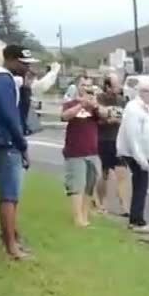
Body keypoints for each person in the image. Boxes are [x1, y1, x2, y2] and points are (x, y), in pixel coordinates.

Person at [0, 41, 33, 259]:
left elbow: (19, 111)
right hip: (5, 142)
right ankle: (10, 246)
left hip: (5, 141)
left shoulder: (5, 80)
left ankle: (13, 239)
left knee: (12, 195)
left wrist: (27, 88)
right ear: (9, 60)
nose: (26, 67)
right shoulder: (1, 80)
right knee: (9, 195)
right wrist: (22, 143)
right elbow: (10, 115)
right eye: (23, 63)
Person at [116, 83, 149, 233]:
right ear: (143, 92)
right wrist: (140, 158)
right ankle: (137, 220)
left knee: (140, 184)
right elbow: (132, 136)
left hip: (142, 154)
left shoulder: (144, 108)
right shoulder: (134, 109)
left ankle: (136, 218)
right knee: (141, 185)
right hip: (135, 154)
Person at [60, 82, 101, 227]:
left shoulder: (94, 106)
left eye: (90, 85)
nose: (87, 88)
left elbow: (104, 117)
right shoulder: (71, 103)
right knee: (77, 185)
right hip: (75, 151)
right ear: (78, 87)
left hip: (92, 151)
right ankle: (77, 218)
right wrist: (81, 105)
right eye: (84, 85)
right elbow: (65, 116)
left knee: (90, 184)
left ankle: (85, 216)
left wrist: (95, 105)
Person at [95, 72, 128, 215]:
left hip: (119, 140)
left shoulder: (122, 100)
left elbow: (126, 117)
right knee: (105, 173)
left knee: (122, 173)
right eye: (115, 85)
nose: (119, 88)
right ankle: (101, 203)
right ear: (107, 87)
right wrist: (107, 121)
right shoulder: (99, 100)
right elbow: (95, 120)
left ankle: (124, 206)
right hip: (104, 140)